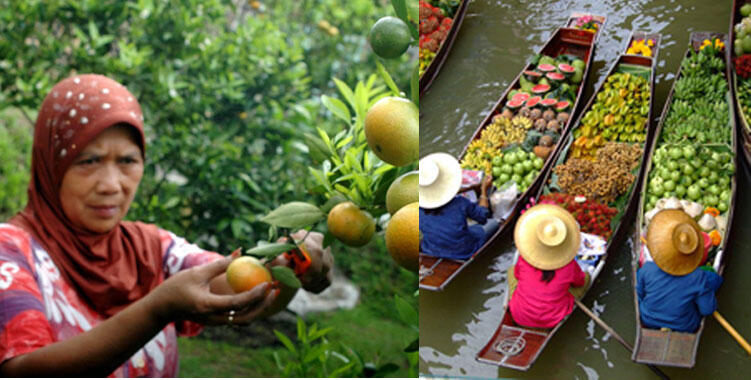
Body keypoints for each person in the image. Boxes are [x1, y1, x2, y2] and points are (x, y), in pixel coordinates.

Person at [0, 74, 333, 377]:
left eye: (128, 161)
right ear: (51, 164)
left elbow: (237, 289)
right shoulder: (11, 253)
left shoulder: (150, 249)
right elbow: (24, 370)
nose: (112, 185)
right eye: (89, 161)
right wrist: (156, 310)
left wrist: (291, 267)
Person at [637, 209, 722, 333]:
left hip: (648, 319)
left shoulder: (647, 269)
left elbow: (639, 295)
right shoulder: (698, 276)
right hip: (684, 325)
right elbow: (707, 310)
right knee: (713, 280)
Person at [508, 204, 587, 329]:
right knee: (586, 278)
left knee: (511, 272)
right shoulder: (570, 266)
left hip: (520, 315)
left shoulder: (524, 259)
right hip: (554, 319)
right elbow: (580, 282)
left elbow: (517, 274)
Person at [418, 152, 500, 260]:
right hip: (465, 251)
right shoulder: (460, 203)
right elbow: (483, 216)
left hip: (432, 250)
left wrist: (470, 188)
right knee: (495, 222)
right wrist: (483, 191)